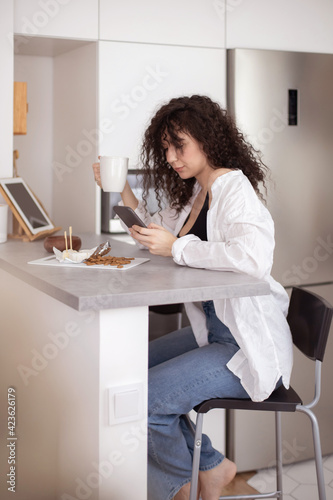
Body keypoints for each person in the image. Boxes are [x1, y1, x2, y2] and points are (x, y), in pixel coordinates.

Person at [92, 95, 293, 500]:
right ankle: (212, 466)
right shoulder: (196, 193)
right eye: (165, 147)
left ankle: (183, 488)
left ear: (206, 140)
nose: (170, 157)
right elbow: (158, 234)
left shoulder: (234, 189)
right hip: (215, 330)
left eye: (178, 145)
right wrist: (120, 194)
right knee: (126, 373)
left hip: (243, 342)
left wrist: (178, 249)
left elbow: (253, 258)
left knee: (144, 399)